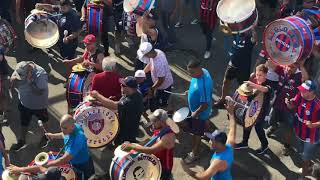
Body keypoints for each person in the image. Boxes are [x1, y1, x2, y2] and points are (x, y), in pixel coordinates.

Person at [8, 114, 95, 179]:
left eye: (64, 128)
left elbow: (64, 159)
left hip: (82, 164)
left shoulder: (78, 139)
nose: (62, 130)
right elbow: (64, 135)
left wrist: (47, 165)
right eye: (61, 127)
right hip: (73, 161)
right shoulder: (72, 128)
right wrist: (53, 135)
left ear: (72, 126)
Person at [182, 100, 236, 180]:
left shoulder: (218, 161)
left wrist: (187, 170)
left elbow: (204, 177)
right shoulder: (229, 145)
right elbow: (233, 128)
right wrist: (231, 113)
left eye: (212, 140)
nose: (210, 142)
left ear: (218, 143)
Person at [121, 109, 176, 180]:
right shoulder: (160, 129)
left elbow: (151, 150)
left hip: (164, 167)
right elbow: (150, 141)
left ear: (162, 122)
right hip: (155, 162)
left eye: (155, 121)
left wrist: (132, 146)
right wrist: (133, 144)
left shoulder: (168, 137)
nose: (152, 123)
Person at [90, 76, 144, 145]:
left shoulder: (132, 99)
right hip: (123, 126)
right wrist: (99, 104)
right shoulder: (130, 93)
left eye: (123, 85)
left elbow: (114, 105)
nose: (121, 85)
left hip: (127, 130)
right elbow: (118, 105)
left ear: (129, 88)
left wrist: (97, 95)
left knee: (125, 147)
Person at [10, 61, 49, 151]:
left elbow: (39, 92)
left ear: (29, 71)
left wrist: (30, 82)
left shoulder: (41, 74)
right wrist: (14, 79)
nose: (20, 79)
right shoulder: (21, 67)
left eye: (22, 77)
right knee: (24, 123)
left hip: (39, 105)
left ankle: (46, 137)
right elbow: (13, 77)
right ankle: (22, 141)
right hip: (24, 103)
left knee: (44, 121)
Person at [265, 60, 302, 155]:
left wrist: (293, 102)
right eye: (288, 66)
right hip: (277, 103)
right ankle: (274, 126)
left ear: (297, 66)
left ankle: (287, 146)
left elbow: (302, 92)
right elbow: (271, 64)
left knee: (288, 128)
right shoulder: (283, 69)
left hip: (289, 109)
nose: (289, 69)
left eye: (292, 67)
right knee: (270, 121)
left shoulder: (301, 77)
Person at [234, 64, 272, 155]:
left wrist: (253, 85)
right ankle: (244, 142)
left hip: (262, 110)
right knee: (247, 122)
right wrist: (244, 97)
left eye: (260, 75)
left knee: (258, 127)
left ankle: (265, 145)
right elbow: (251, 96)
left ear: (266, 75)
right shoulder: (255, 82)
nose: (257, 77)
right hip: (253, 107)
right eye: (257, 74)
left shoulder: (268, 84)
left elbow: (265, 89)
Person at [214, 29, 257, 107]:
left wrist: (253, 29)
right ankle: (223, 100)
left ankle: (239, 106)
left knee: (243, 88)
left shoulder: (249, 36)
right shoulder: (235, 33)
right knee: (226, 82)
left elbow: (254, 39)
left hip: (243, 68)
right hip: (232, 63)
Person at [286, 80, 320, 179]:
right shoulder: (300, 96)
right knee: (302, 153)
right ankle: (309, 166)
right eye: (301, 89)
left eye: (304, 90)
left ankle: (303, 176)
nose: (301, 91)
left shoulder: (317, 105)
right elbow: (293, 105)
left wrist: (313, 125)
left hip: (311, 137)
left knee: (305, 158)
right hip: (299, 132)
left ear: (312, 92)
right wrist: (289, 104)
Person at [183, 60, 213, 164]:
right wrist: (190, 91)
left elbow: (205, 104)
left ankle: (194, 153)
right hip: (198, 111)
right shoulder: (202, 71)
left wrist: (195, 113)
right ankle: (212, 137)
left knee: (197, 133)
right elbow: (195, 86)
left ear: (199, 69)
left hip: (200, 113)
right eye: (189, 72)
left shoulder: (204, 83)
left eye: (192, 72)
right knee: (205, 124)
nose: (190, 74)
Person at [138, 42, 174, 112]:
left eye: (145, 55)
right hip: (160, 84)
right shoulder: (157, 52)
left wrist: (152, 89)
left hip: (164, 86)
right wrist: (143, 73)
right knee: (156, 98)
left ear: (148, 53)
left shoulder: (159, 63)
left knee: (162, 102)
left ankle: (166, 112)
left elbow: (161, 80)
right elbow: (150, 63)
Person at [0, 48, 9, 124]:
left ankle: (4, 115)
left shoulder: (4, 63)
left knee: (4, 97)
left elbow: (6, 73)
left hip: (3, 78)